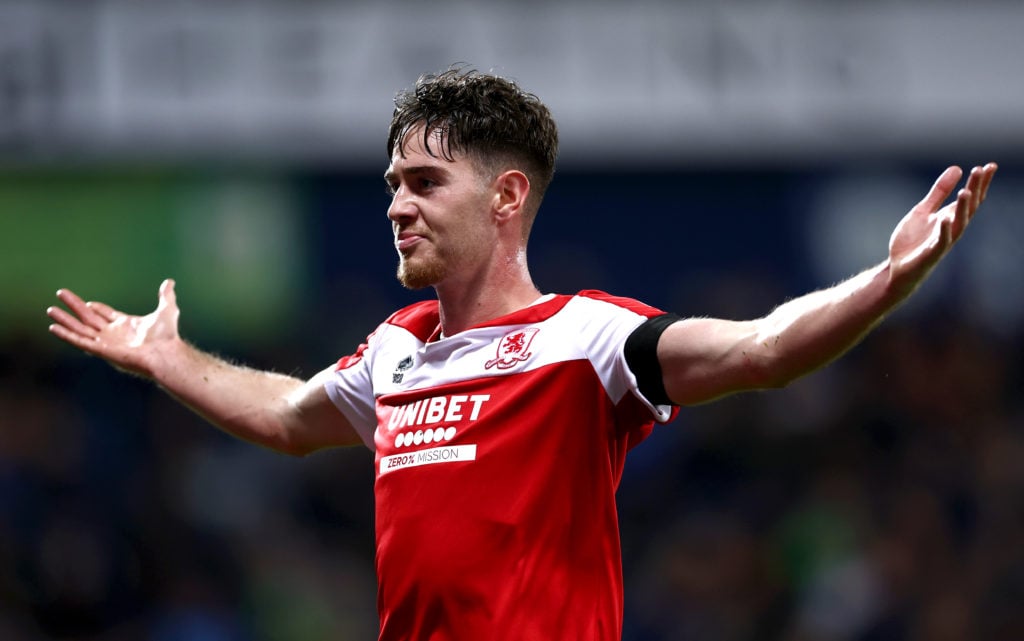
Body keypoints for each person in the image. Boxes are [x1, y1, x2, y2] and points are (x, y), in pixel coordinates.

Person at [47, 67, 997, 641]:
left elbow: (765, 349)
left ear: (505, 197)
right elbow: (289, 417)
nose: (396, 204)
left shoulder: (585, 339)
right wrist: (164, 356)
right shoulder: (397, 349)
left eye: (423, 180)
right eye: (390, 183)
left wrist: (884, 279)